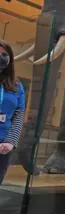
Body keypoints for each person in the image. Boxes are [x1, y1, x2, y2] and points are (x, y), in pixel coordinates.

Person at [0, 40, 25, 185]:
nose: (1, 57)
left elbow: (19, 114)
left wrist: (11, 141)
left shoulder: (16, 86)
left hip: (3, 146)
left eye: (4, 54)